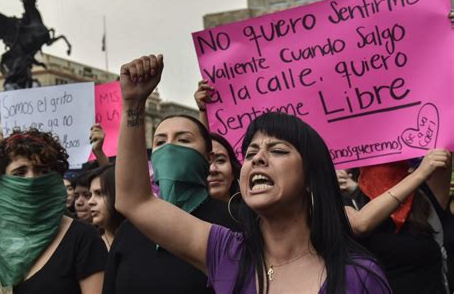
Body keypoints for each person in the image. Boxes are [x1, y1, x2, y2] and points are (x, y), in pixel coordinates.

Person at [114, 55, 391, 294]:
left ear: (310, 177)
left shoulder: (360, 277)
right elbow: (135, 201)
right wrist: (134, 105)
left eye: (278, 150)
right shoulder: (227, 253)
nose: (258, 158)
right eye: (249, 154)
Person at [103, 113, 238, 292]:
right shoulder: (130, 229)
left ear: (209, 158)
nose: (169, 148)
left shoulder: (236, 221)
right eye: (160, 142)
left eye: (183, 140)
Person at [0, 128, 107, 294]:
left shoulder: (82, 239)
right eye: (20, 173)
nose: (32, 180)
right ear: (1, 182)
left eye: (43, 171)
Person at [344, 153, 453, 293]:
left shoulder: (424, 198)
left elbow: (444, 144)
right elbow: (360, 225)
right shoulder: (349, 201)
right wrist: (419, 174)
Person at [87, 164, 124, 251]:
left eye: (99, 193)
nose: (90, 202)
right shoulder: (87, 244)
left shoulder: (146, 238)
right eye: (90, 195)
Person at [207, 133, 241, 202]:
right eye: (204, 161)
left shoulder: (256, 211)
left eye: (220, 160)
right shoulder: (179, 212)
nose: (212, 169)